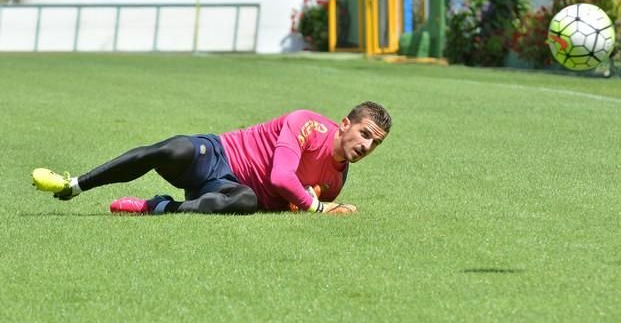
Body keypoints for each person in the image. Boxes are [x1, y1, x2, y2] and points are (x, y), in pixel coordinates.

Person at [31, 101, 391, 215]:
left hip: (231, 189)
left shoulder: (336, 181)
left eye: (375, 144)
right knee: (168, 150)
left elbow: (295, 199)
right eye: (364, 135)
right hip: (218, 153)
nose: (366, 146)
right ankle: (74, 185)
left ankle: (157, 208)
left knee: (246, 200)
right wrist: (319, 208)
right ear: (344, 124)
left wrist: (311, 203)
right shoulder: (306, 124)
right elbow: (284, 179)